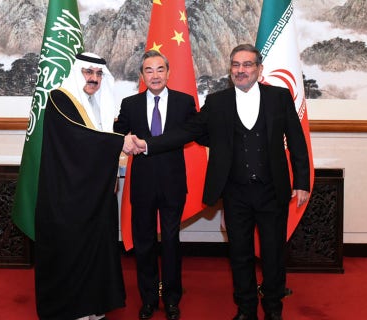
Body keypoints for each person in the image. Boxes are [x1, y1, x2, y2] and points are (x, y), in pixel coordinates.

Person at [125, 44, 310, 320]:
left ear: (259, 70)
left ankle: (273, 309)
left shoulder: (280, 98)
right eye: (235, 65)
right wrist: (149, 144)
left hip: (273, 191)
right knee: (239, 255)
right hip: (234, 193)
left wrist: (303, 181)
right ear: (230, 70)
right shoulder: (217, 101)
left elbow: (297, 141)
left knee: (273, 255)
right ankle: (246, 309)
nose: (241, 70)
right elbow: (188, 131)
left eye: (247, 65)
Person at [34, 52, 126, 320]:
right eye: (89, 72)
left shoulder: (99, 104)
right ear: (77, 72)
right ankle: (71, 309)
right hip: (68, 195)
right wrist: (119, 142)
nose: (94, 79)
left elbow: (99, 142)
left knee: (97, 249)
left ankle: (94, 305)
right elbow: (78, 138)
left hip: (96, 193)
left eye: (98, 74)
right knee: (72, 250)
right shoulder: (59, 98)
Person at [114, 50, 195, 320]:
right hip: (143, 185)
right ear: (142, 76)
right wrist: (122, 138)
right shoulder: (130, 104)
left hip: (173, 183)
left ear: (168, 73)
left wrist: (147, 144)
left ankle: (172, 299)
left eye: (160, 69)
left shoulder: (185, 103)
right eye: (149, 70)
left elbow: (186, 134)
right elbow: (118, 134)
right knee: (145, 243)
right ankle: (148, 298)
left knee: (171, 241)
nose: (155, 75)